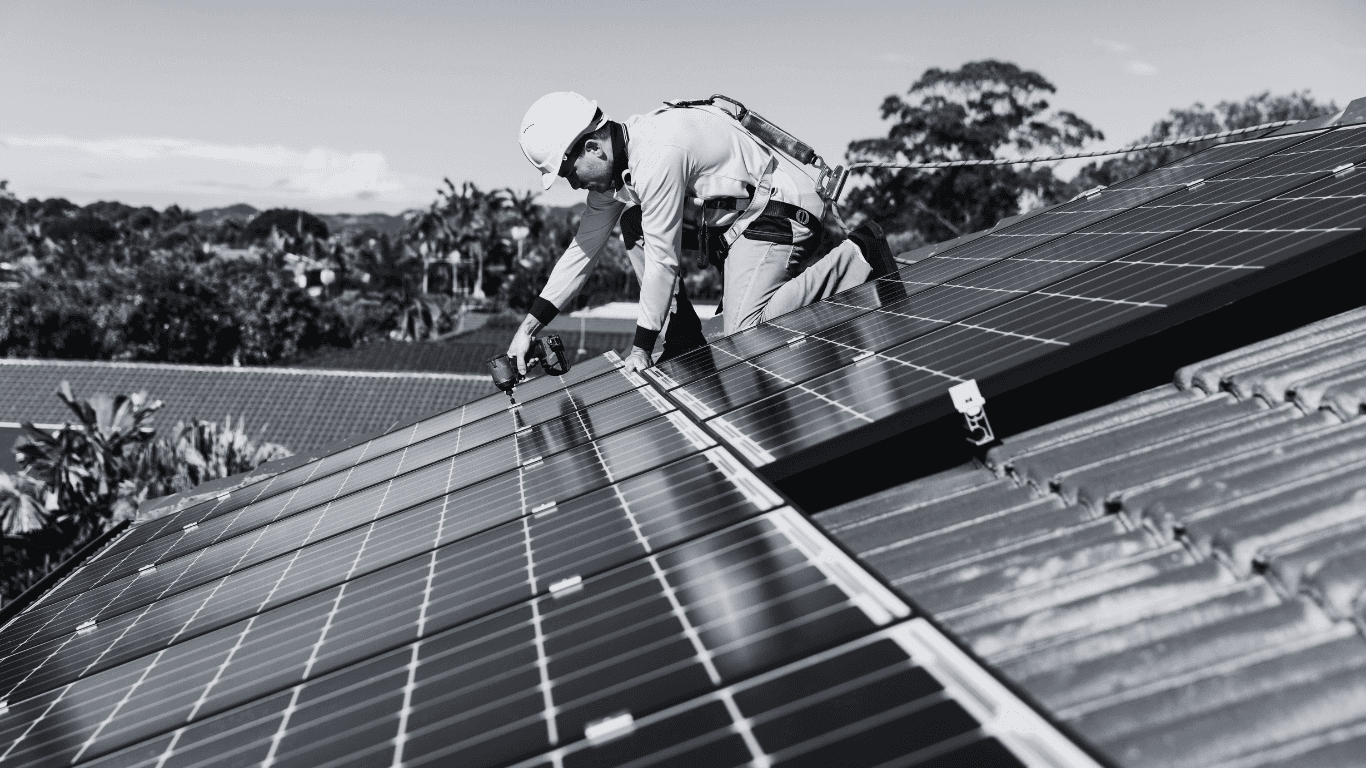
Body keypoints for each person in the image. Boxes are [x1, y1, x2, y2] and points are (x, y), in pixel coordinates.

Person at [507, 91, 896, 375]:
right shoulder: (617, 175)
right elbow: (582, 250)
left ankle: (859, 254)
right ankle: (682, 337)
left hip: (781, 212)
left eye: (569, 172)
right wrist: (528, 329)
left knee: (746, 332)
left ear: (593, 148)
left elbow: (663, 258)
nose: (573, 185)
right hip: (742, 223)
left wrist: (641, 347)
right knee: (633, 222)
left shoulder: (657, 154)